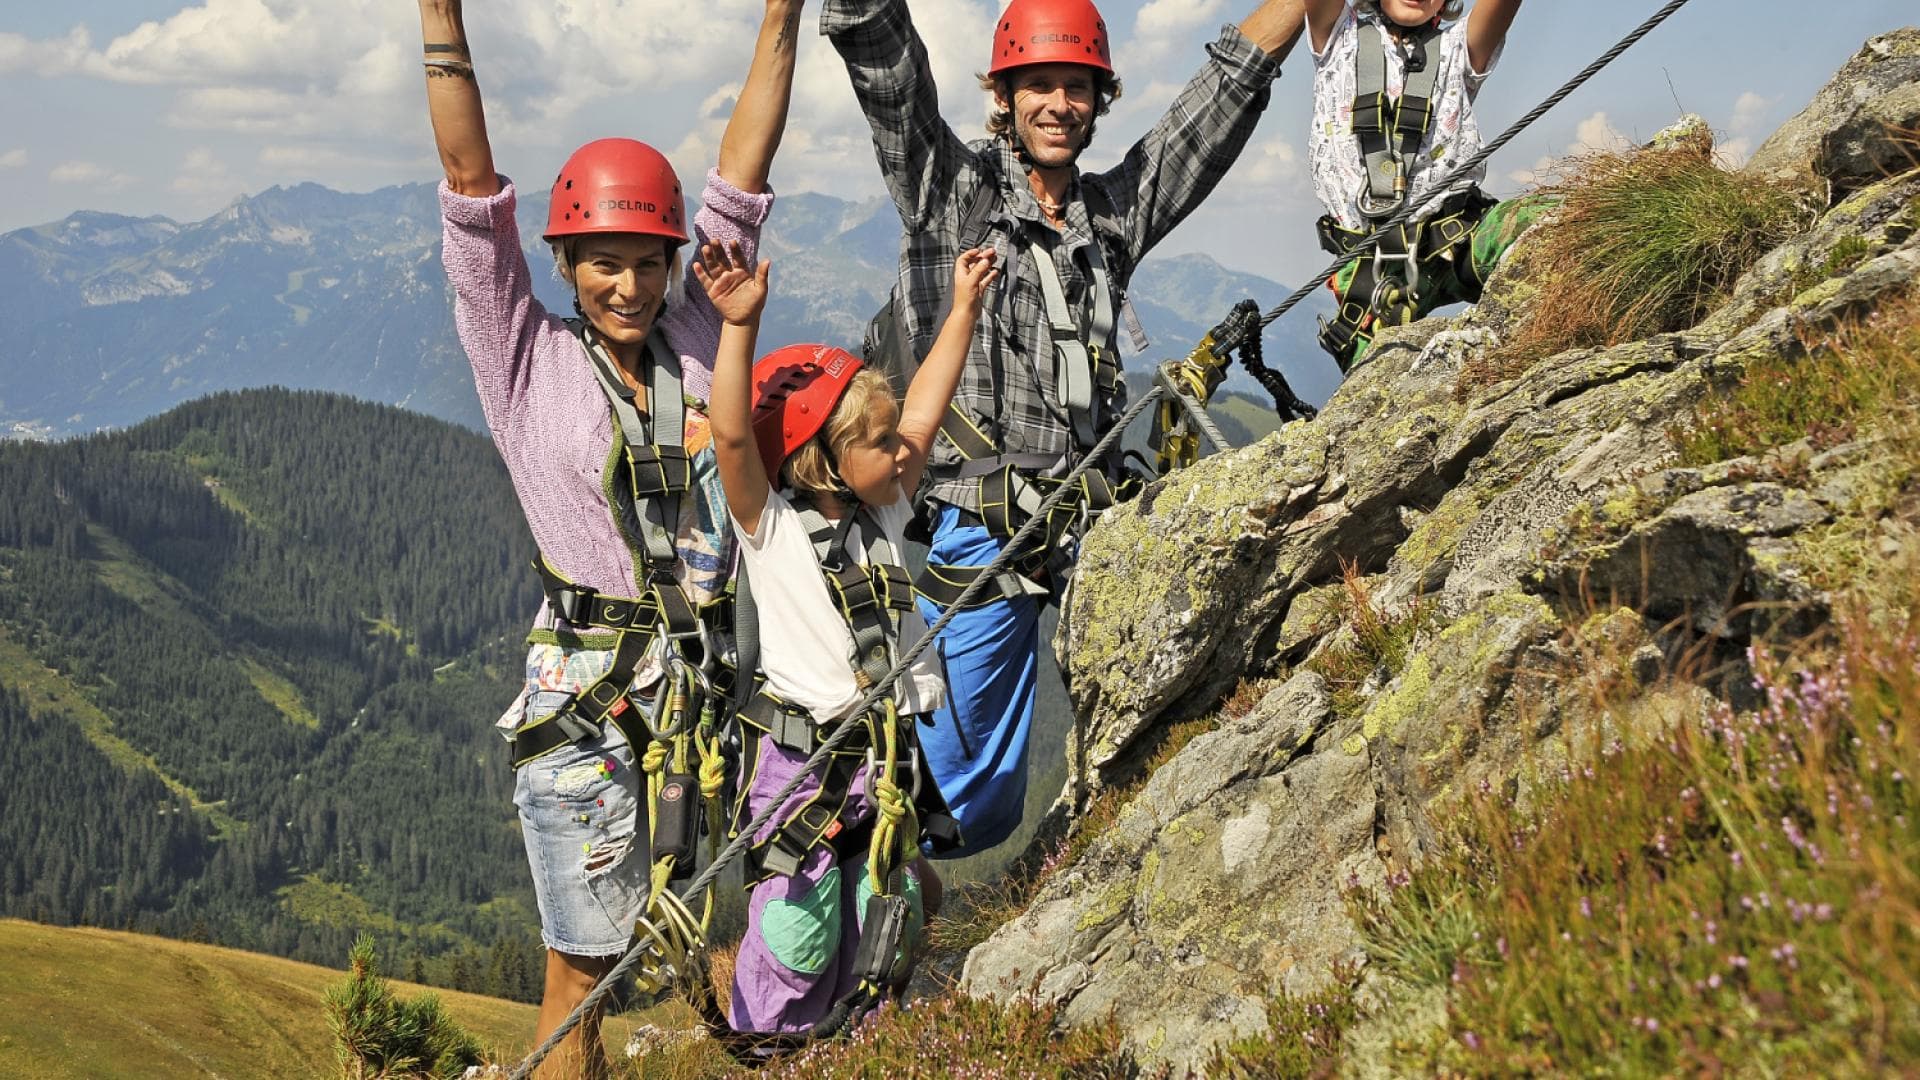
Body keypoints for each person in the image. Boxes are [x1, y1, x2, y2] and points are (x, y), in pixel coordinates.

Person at [821, 0, 1307, 857]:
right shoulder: (951, 194)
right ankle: (866, 912)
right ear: (1002, 98)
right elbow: (890, 77)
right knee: (964, 801)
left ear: (1098, 97)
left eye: (1075, 86)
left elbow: (1214, 107)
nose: (1058, 103)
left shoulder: (1106, 219)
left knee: (1191, 667)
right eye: (1036, 84)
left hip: (1088, 520)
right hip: (976, 531)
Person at [414, 1, 802, 1073]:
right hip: (588, 695)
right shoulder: (520, 355)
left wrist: (784, 12)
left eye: (646, 262)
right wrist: (440, 21)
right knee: (585, 967)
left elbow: (742, 166)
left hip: (698, 689)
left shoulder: (689, 333)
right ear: (568, 261)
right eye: (602, 263)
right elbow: (470, 186)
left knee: (680, 939)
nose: (628, 286)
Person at [692, 240, 999, 1035]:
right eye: (880, 440)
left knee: (879, 925)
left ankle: (859, 1045)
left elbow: (928, 406)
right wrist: (739, 327)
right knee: (800, 934)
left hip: (882, 761)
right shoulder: (772, 530)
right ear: (821, 461)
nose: (903, 450)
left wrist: (963, 309)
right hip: (801, 768)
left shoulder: (888, 509)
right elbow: (732, 441)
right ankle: (774, 1044)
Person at [1305, 0, 1547, 370]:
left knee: (1548, 219)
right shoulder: (1339, 37)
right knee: (1375, 386)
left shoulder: (1459, 48)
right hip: (1370, 269)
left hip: (1454, 241)